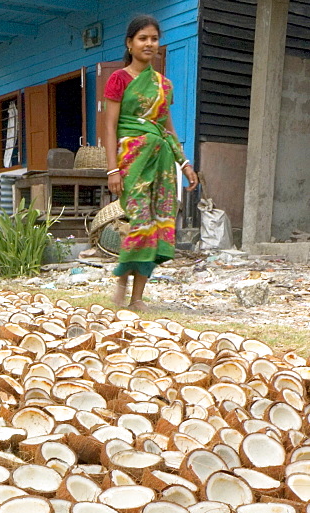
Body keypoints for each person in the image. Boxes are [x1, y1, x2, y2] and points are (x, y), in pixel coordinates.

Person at [103, 15, 198, 310]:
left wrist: (184, 164)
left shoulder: (163, 85)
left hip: (162, 162)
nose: (149, 44)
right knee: (140, 222)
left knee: (158, 227)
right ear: (130, 44)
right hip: (132, 161)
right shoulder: (118, 79)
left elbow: (167, 129)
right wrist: (113, 169)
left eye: (154, 39)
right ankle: (121, 281)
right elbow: (109, 127)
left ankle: (137, 298)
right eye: (143, 38)